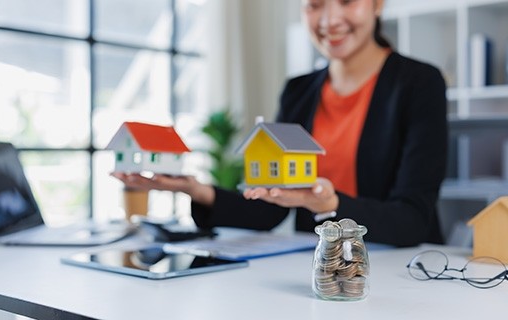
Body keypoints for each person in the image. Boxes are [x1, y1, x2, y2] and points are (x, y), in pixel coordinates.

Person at [112, 0, 448, 247]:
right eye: (315, 4)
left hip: (398, 266)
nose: (330, 19)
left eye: (346, 1)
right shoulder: (299, 91)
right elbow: (269, 209)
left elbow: (413, 220)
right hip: (319, 265)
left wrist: (330, 205)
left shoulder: (419, 83)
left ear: (377, 4)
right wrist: (196, 190)